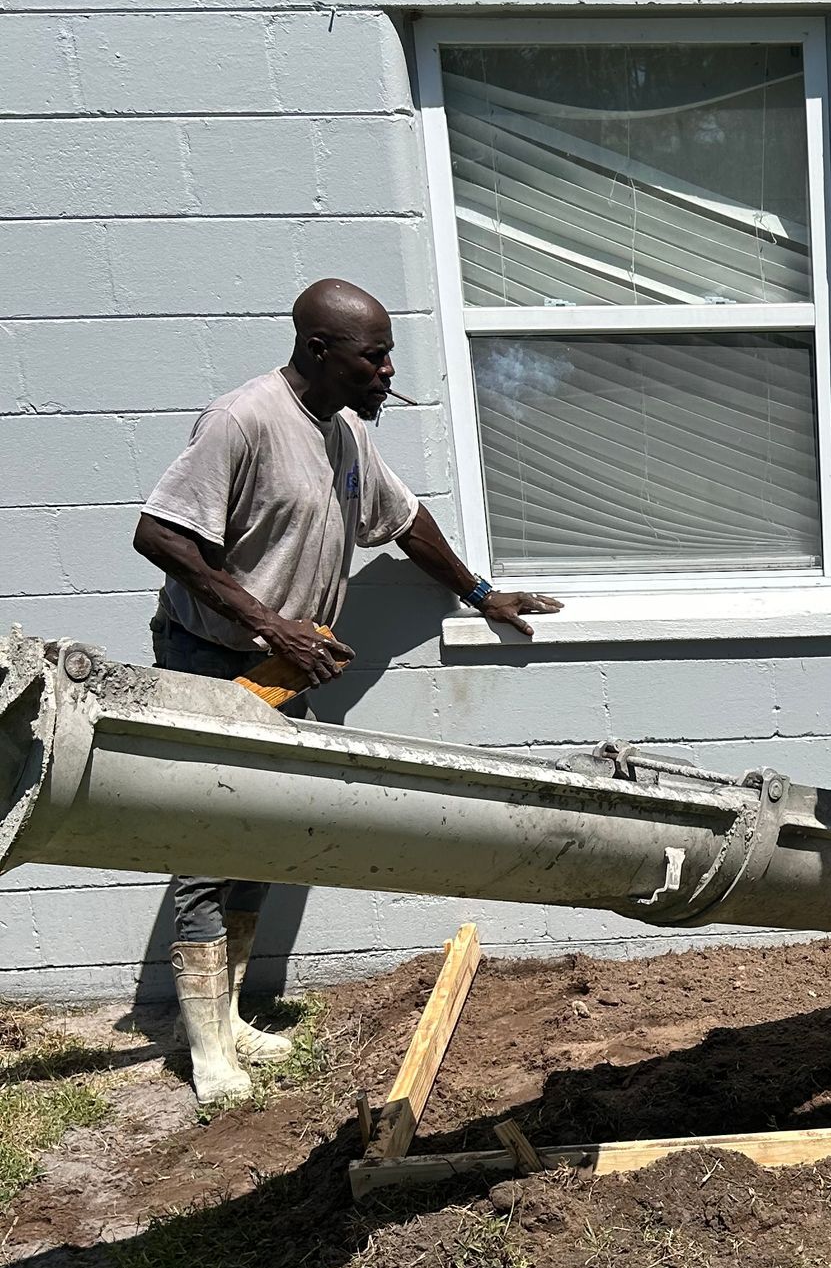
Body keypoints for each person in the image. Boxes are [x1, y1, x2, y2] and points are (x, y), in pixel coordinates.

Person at [133, 277, 561, 1108]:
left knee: (255, 835)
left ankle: (227, 1018)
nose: (387, 372)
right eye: (374, 357)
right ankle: (207, 1054)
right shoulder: (244, 420)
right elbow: (159, 534)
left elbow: (405, 521)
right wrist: (272, 623)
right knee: (202, 840)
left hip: (281, 674)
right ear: (319, 350)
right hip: (208, 658)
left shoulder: (342, 435)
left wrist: (480, 595)